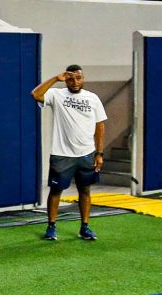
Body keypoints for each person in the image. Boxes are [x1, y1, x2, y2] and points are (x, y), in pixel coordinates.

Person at [31, 66, 106, 242]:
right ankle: (51, 226)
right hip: (62, 153)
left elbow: (100, 126)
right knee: (56, 190)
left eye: (78, 78)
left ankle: (85, 227)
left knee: (85, 190)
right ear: (66, 79)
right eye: (71, 79)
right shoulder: (57, 94)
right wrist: (56, 78)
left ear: (83, 78)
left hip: (86, 153)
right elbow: (35, 94)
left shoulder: (92, 98)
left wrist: (99, 153)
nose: (75, 82)